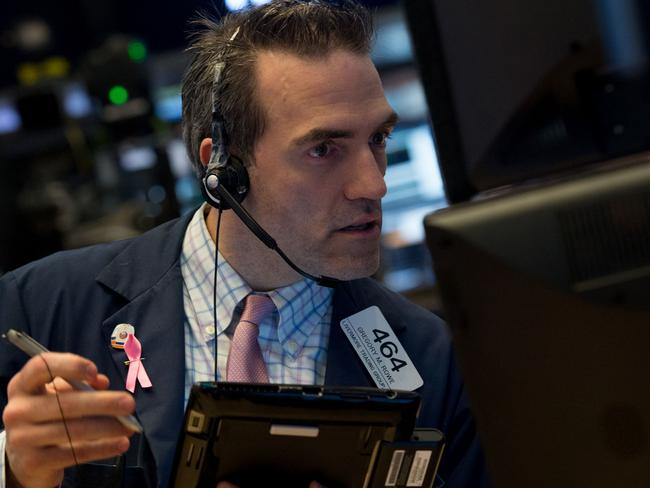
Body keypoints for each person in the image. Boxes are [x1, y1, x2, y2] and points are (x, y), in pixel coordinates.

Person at [0, 1, 490, 487]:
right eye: (324, 149)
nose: (373, 184)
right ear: (223, 171)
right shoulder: (40, 307)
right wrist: (14, 471)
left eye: (378, 139)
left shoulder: (431, 361)